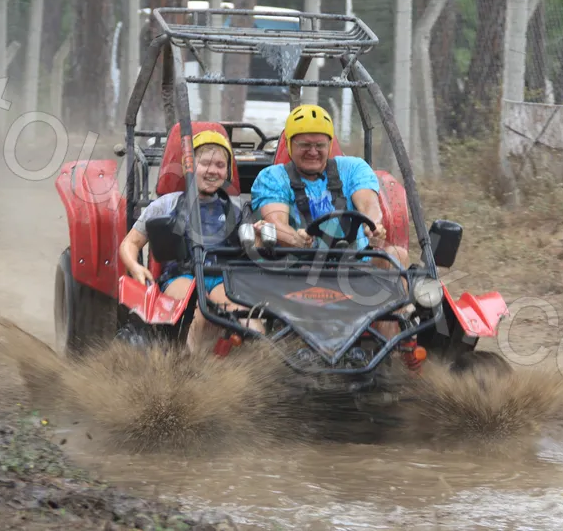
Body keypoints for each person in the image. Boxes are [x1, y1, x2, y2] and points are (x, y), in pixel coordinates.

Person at [250, 104, 411, 338]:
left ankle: (392, 344)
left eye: (320, 145)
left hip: (357, 268)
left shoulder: (354, 168)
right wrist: (296, 239)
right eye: (305, 145)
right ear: (290, 145)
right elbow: (276, 223)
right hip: (299, 272)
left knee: (398, 256)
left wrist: (373, 226)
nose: (313, 152)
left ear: (330, 144)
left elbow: (369, 204)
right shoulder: (272, 177)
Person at [118, 130, 264, 352]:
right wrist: (136, 267)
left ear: (227, 171)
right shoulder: (166, 204)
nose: (212, 170)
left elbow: (254, 254)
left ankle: (256, 365)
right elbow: (130, 243)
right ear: (189, 167)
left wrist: (258, 240)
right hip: (182, 275)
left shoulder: (238, 207)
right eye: (205, 163)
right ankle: (191, 366)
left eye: (220, 165)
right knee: (198, 314)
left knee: (248, 321)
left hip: (223, 278)